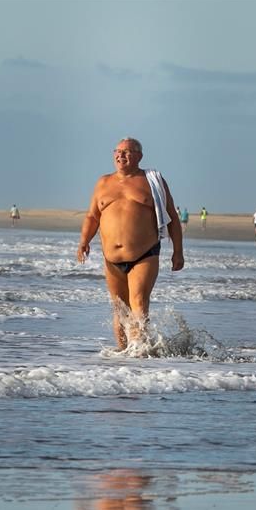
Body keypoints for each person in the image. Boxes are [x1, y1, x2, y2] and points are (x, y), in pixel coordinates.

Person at [77, 137, 184, 351]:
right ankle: (122, 355)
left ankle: (139, 352)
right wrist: (84, 242)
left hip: (145, 254)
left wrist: (178, 252)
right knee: (119, 309)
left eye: (127, 151)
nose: (121, 155)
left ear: (139, 156)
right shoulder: (103, 182)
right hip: (111, 259)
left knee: (138, 303)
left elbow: (172, 215)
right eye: (117, 151)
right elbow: (92, 216)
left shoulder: (152, 180)